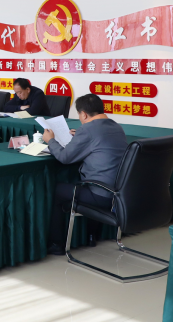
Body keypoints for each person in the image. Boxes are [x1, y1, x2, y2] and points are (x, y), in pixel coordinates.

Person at [43, 94, 128, 255]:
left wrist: (50, 141)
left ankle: (56, 244)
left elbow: (64, 157)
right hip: (121, 193)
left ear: (83, 114)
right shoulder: (116, 126)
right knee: (87, 185)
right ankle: (91, 236)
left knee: (58, 190)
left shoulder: (87, 129)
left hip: (103, 195)